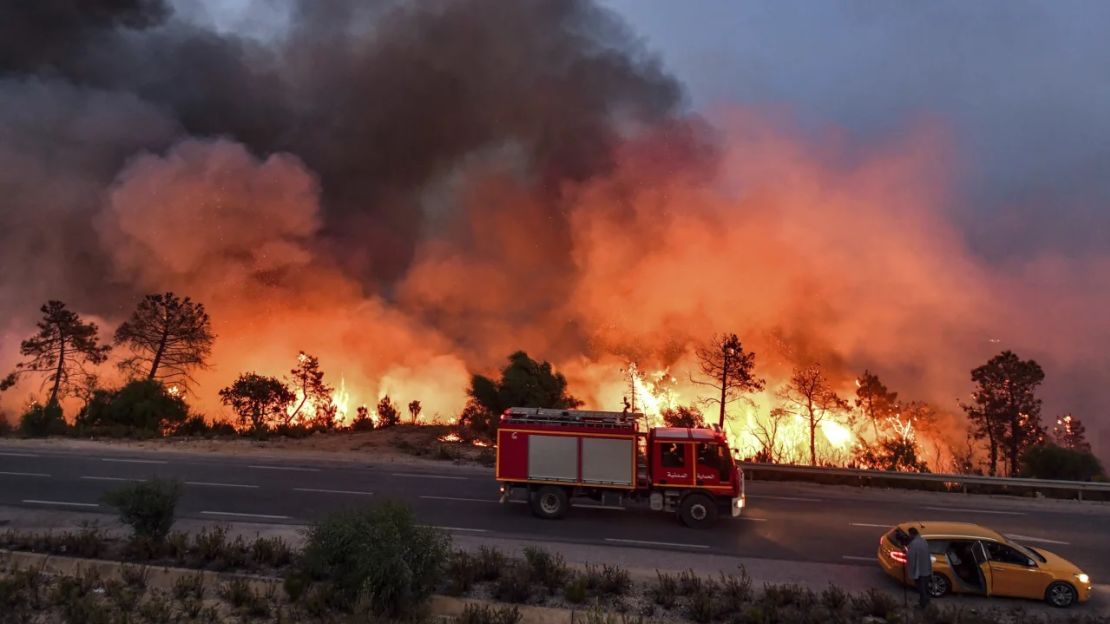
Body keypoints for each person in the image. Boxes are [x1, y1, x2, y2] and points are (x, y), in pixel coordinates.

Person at [905, 527, 932, 608]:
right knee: (925, 588)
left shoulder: (914, 544)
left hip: (919, 571)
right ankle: (926, 601)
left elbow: (911, 558)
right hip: (926, 569)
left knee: (921, 589)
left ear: (912, 534)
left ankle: (923, 605)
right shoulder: (923, 541)